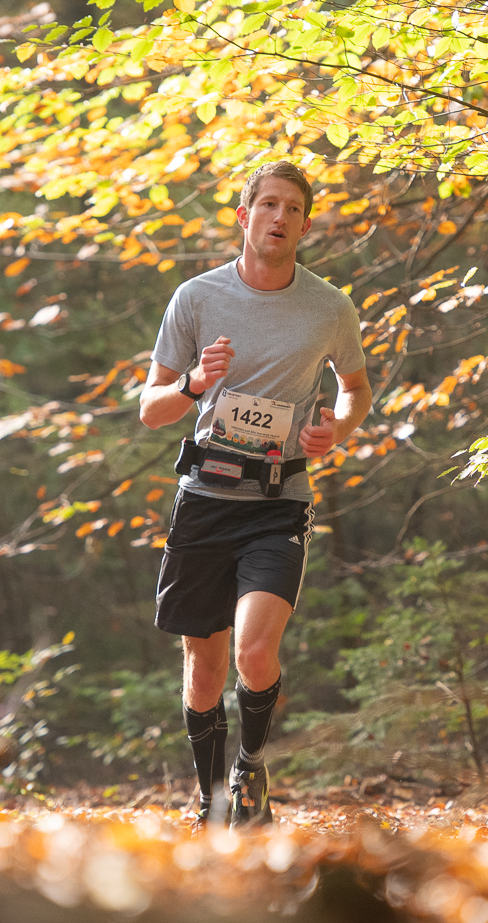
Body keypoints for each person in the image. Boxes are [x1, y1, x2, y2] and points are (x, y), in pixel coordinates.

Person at [139, 161, 371, 827]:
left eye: (293, 208)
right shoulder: (196, 298)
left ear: (304, 224)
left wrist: (337, 428)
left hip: (280, 500)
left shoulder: (329, 306)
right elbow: (150, 410)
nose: (279, 217)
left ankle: (249, 771)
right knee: (205, 669)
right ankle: (212, 800)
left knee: (254, 653)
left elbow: (355, 387)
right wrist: (190, 385)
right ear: (244, 218)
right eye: (267, 204)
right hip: (206, 498)